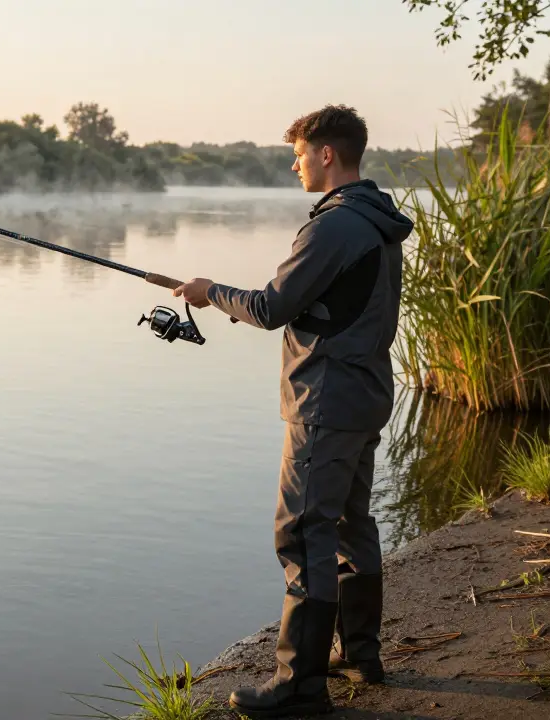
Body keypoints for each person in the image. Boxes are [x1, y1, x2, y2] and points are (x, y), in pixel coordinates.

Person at [172, 105, 415, 717]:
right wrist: (231, 300)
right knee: (349, 526)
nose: (294, 162)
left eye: (300, 153)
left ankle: (300, 686)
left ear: (326, 154)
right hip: (364, 394)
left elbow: (272, 306)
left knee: (303, 532)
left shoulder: (333, 226)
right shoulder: (375, 220)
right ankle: (360, 655)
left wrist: (210, 293)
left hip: (325, 400)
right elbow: (325, 306)